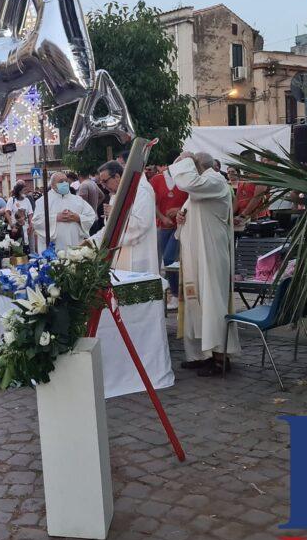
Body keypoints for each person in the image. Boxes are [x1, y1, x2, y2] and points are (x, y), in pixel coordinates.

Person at [169, 152, 240, 376]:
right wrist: (181, 218)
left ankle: (220, 358)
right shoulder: (198, 189)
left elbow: (188, 182)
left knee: (212, 303)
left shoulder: (215, 180)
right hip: (194, 255)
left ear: (196, 167)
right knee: (195, 303)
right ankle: (200, 354)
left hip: (210, 254)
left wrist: (185, 160)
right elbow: (189, 215)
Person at [95, 162, 159, 274]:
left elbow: (142, 225)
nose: (103, 186)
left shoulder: (141, 191)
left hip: (138, 255)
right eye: (101, 182)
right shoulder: (117, 194)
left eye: (105, 181)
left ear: (117, 177)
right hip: (120, 254)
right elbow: (110, 226)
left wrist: (115, 213)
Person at [151, 165, 189, 311]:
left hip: (181, 226)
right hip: (163, 226)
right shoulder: (156, 180)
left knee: (169, 258)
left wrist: (179, 211)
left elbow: (191, 201)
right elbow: (152, 203)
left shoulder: (185, 179)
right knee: (165, 262)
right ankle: (176, 292)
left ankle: (175, 293)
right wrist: (161, 217)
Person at [33, 172, 96, 251]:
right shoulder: (43, 201)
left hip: (75, 243)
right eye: (61, 182)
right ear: (52, 185)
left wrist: (78, 217)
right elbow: (36, 221)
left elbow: (91, 216)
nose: (65, 183)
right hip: (54, 247)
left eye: (66, 181)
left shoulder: (78, 200)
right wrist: (56, 218)